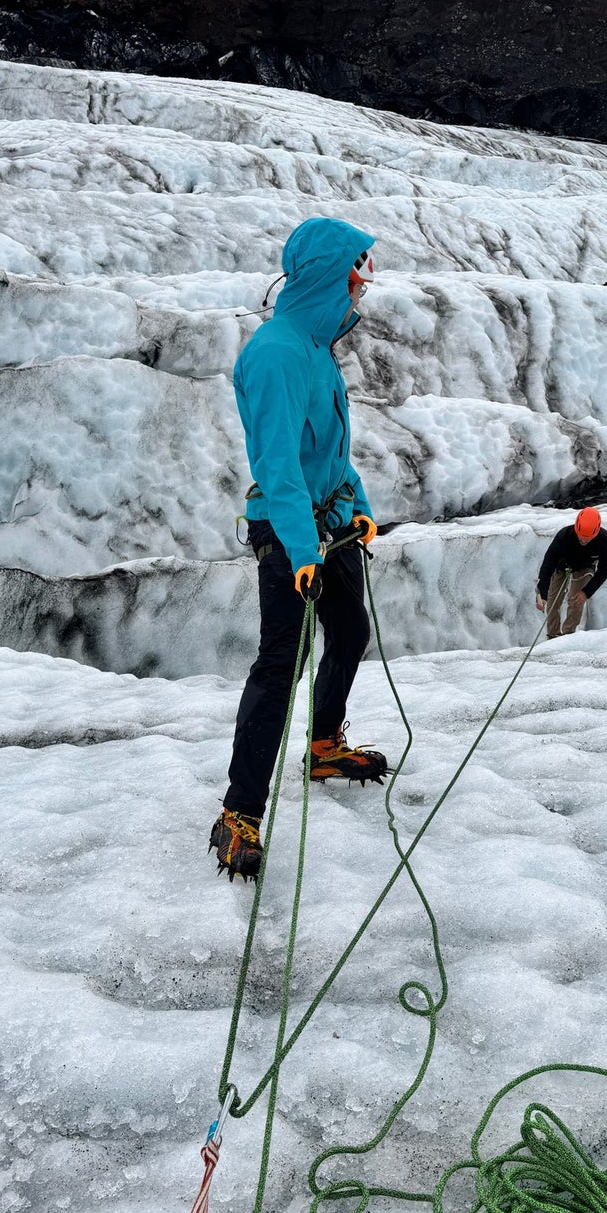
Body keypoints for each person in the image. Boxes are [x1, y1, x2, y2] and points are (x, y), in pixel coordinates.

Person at [210, 217, 388, 882]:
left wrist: (360, 509)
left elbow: (331, 453)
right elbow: (279, 464)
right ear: (325, 276)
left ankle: (322, 746)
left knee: (349, 629)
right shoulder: (276, 353)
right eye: (355, 275)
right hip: (289, 528)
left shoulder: (316, 347)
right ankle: (238, 811)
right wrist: (300, 548)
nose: (361, 289)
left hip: (328, 522)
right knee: (281, 661)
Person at [535, 507, 607, 639]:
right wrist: (542, 593)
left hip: (585, 568)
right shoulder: (564, 536)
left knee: (576, 600)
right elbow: (548, 565)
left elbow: (605, 568)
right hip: (561, 566)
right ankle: (552, 635)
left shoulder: (604, 540)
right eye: (581, 538)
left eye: (587, 540)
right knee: (553, 601)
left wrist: (586, 593)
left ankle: (568, 635)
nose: (583, 542)